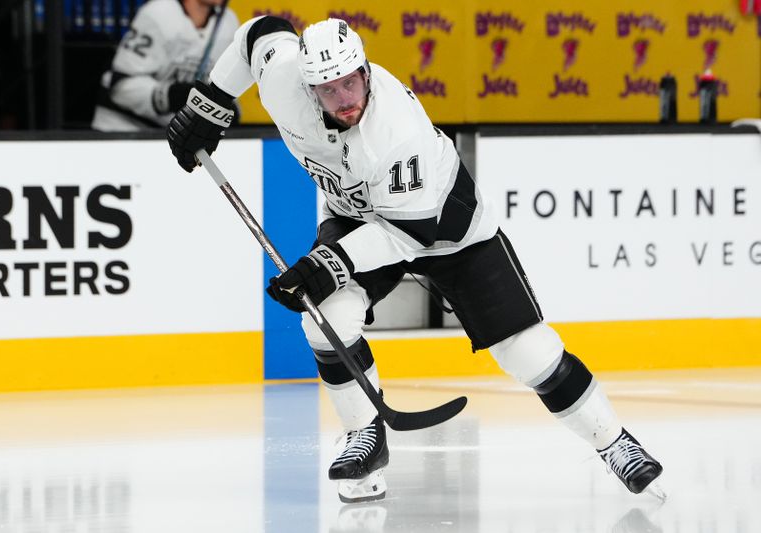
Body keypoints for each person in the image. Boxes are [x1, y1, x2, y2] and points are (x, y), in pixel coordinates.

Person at [165, 16, 665, 504]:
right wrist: (208, 105)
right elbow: (257, 32)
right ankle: (366, 437)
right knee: (327, 322)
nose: (346, 98)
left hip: (447, 227)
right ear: (307, 86)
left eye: (351, 81)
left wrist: (326, 265)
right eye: (330, 89)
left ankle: (615, 442)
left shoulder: (398, 133)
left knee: (529, 353)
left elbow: (411, 234)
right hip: (359, 217)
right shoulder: (283, 78)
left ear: (364, 68)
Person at [91, 0, 239, 131]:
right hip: (120, 129)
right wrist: (168, 96)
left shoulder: (229, 21)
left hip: (173, 135)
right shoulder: (159, 13)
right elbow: (120, 87)